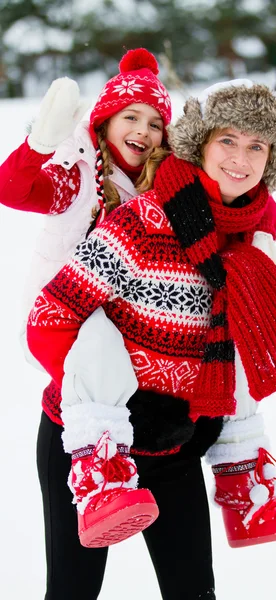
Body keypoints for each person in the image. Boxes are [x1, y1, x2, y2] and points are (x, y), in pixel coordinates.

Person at [26, 78, 276, 600]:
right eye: (228, 140)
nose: (241, 157)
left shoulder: (250, 236)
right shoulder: (143, 220)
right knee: (73, 593)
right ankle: (102, 475)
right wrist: (111, 408)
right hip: (90, 440)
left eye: (257, 146)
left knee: (193, 593)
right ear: (199, 144)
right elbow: (51, 314)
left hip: (175, 447)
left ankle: (243, 480)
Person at [0, 49, 173, 547]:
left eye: (155, 123)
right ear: (104, 120)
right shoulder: (77, 178)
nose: (142, 130)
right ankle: (99, 478)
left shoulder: (163, 187)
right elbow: (15, 189)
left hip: (137, 343)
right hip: (63, 323)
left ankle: (243, 471)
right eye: (130, 117)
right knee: (96, 338)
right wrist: (39, 144)